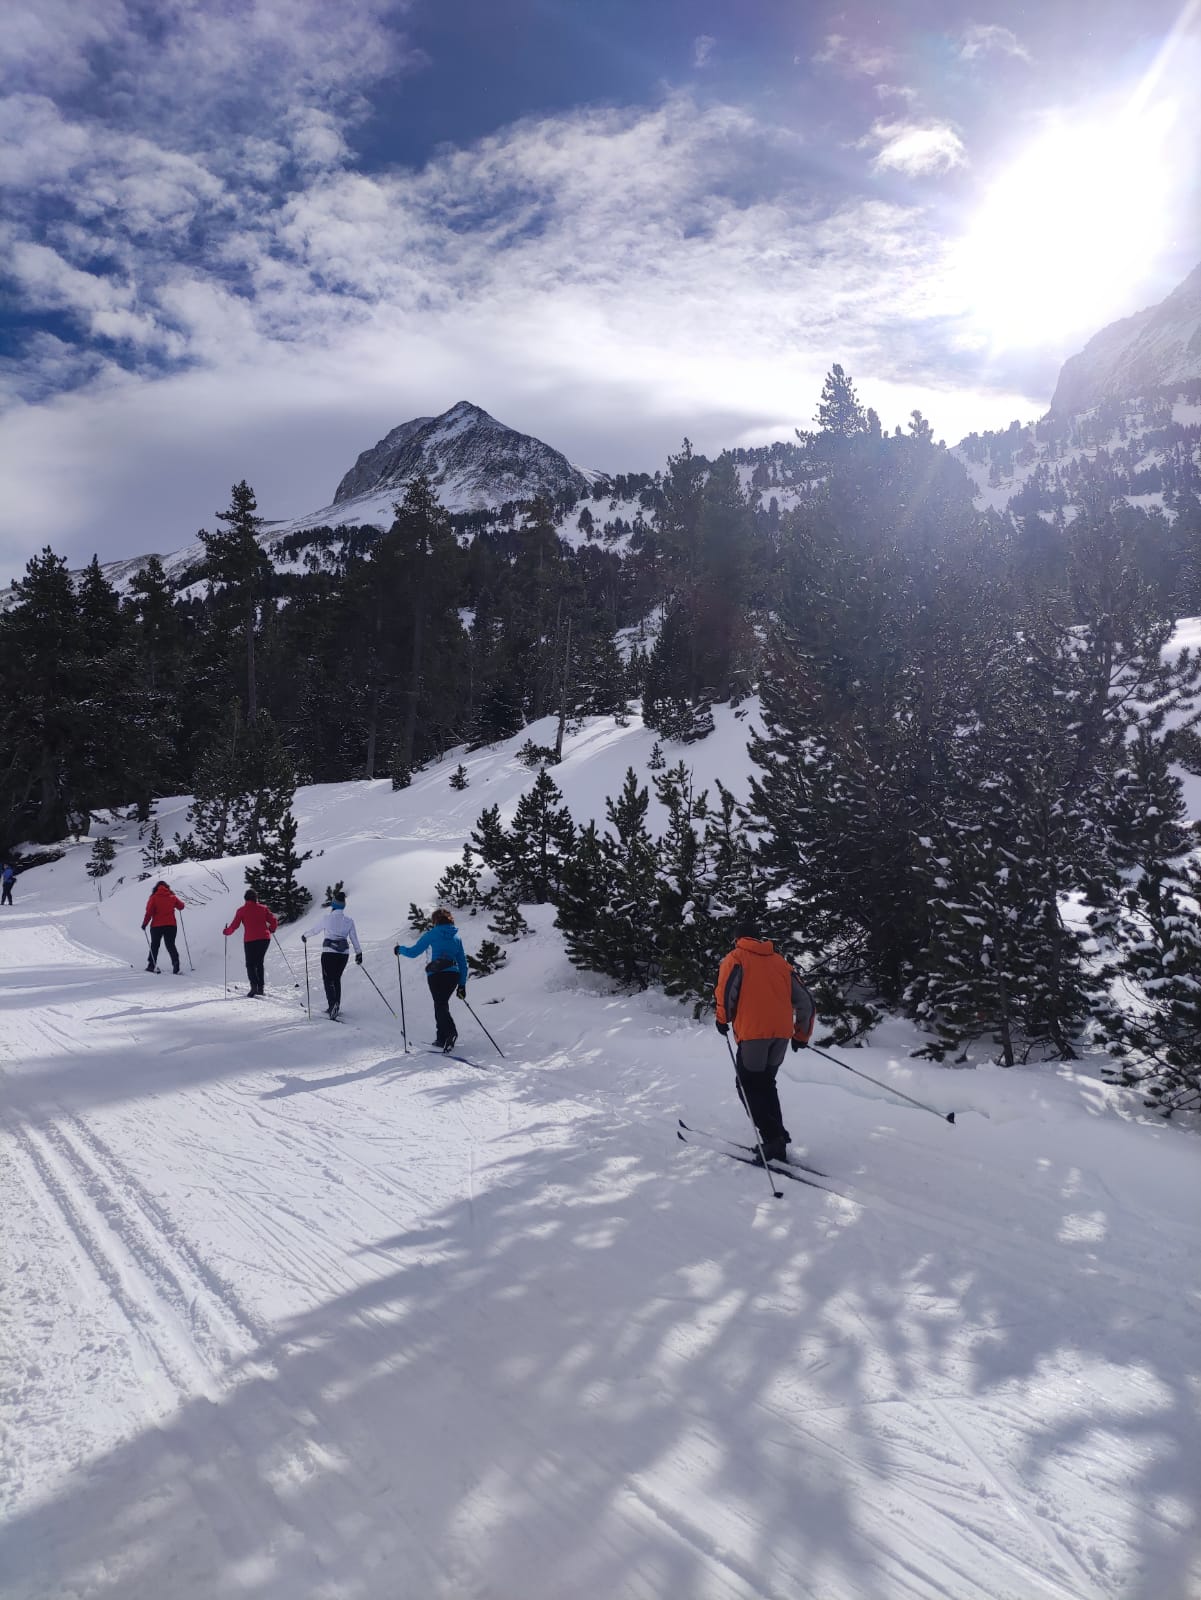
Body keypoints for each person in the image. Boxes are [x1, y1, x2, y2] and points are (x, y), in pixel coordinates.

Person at [714, 919, 815, 1164]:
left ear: (737, 938)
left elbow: (726, 992)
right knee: (766, 1084)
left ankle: (773, 1139)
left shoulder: (735, 958)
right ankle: (776, 1137)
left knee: (748, 1086)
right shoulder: (780, 962)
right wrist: (801, 1034)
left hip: (753, 1035)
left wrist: (722, 1019)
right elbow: (806, 1001)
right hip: (780, 1035)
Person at [395, 908, 468, 1053]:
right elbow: (462, 963)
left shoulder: (432, 934)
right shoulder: (456, 937)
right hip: (453, 975)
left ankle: (450, 1033)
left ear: (435, 921)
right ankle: (441, 1037)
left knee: (440, 1004)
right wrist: (462, 985)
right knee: (441, 1004)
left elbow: (413, 952)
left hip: (436, 974)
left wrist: (399, 949)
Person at [302, 893, 362, 1019]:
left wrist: (305, 936)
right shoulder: (349, 921)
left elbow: (315, 930)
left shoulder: (326, 918)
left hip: (329, 953)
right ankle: (336, 1006)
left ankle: (332, 1005)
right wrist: (359, 953)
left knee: (328, 979)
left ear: (333, 904)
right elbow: (354, 938)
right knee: (336, 979)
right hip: (343, 954)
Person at [223, 890, 279, 997]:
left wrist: (226, 932)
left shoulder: (241, 911)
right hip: (264, 939)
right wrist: (272, 929)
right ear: (256, 898)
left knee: (250, 964)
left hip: (250, 940)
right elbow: (273, 921)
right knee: (259, 963)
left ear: (245, 899)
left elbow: (234, 926)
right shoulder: (263, 908)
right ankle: (260, 988)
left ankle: (254, 987)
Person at [142, 880, 186, 973]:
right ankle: (176, 963)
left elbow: (149, 912)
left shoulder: (153, 898)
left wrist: (144, 924)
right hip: (171, 925)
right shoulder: (172, 897)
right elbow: (181, 906)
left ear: (156, 888)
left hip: (156, 926)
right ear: (167, 887)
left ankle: (151, 965)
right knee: (170, 945)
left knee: (155, 945)